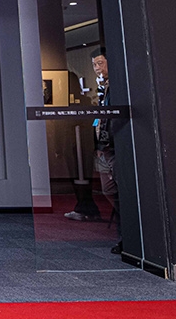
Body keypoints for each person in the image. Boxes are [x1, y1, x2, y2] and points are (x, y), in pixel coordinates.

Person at [63, 48, 122, 255]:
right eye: (95, 65)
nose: (97, 68)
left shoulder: (118, 86)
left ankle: (127, 234)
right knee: (108, 189)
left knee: (120, 189)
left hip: (115, 146)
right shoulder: (103, 88)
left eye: (100, 63)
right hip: (103, 147)